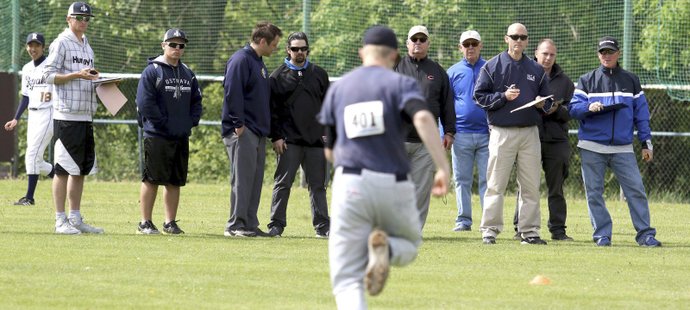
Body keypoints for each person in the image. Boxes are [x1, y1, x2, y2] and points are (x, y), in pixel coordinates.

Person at [318, 25, 450, 310]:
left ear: (361, 52)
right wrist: (443, 167)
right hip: (394, 181)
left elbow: (329, 149)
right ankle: (387, 250)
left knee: (347, 279)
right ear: (394, 55)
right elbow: (425, 120)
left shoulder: (340, 87)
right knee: (410, 245)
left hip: (351, 180)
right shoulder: (402, 84)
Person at [569, 36, 661, 247]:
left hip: (623, 148)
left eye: (610, 52)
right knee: (594, 193)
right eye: (603, 52)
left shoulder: (631, 80)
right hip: (591, 146)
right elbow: (572, 109)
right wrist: (587, 108)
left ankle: (645, 234)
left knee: (636, 190)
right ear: (598, 54)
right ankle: (602, 234)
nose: (607, 56)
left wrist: (646, 142)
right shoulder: (586, 80)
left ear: (618, 54)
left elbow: (642, 115)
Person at [474, 23, 552, 245]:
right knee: (496, 184)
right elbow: (479, 97)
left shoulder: (536, 69)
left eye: (523, 37)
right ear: (506, 38)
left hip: (529, 133)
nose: (518, 40)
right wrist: (502, 97)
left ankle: (529, 232)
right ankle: (489, 230)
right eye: (514, 37)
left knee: (530, 186)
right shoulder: (492, 66)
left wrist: (541, 105)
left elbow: (549, 101)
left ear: (527, 41)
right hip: (501, 132)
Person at [135, 28, 203, 235]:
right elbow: (145, 103)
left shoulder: (188, 73)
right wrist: (164, 124)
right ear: (163, 45)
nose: (177, 48)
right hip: (157, 134)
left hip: (180, 135)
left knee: (175, 180)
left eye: (181, 45)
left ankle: (169, 222)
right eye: (173, 44)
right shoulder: (152, 71)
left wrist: (190, 122)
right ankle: (145, 222)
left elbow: (196, 102)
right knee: (152, 178)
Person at [43, 2, 103, 235]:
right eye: (79, 17)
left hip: (85, 114)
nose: (83, 22)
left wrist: (101, 81)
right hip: (66, 114)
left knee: (80, 169)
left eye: (87, 18)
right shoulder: (62, 42)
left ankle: (75, 218)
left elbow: (87, 75)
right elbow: (47, 74)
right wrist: (76, 75)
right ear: (68, 19)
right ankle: (60, 220)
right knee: (62, 169)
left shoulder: (87, 45)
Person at [266, 31, 330, 238]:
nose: (299, 52)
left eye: (303, 48)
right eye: (295, 49)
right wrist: (276, 136)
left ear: (308, 50)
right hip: (288, 141)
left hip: (316, 141)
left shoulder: (319, 74)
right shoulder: (276, 76)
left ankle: (323, 226)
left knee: (318, 186)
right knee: (282, 184)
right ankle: (276, 225)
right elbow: (272, 110)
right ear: (288, 50)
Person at [222, 21, 282, 237]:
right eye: (274, 44)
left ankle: (248, 223)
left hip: (258, 132)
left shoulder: (258, 62)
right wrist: (238, 124)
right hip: (243, 131)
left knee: (254, 180)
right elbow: (232, 92)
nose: (275, 48)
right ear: (263, 41)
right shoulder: (241, 59)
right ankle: (235, 225)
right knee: (242, 179)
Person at [512, 39, 576, 241]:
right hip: (529, 137)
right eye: (544, 54)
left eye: (552, 55)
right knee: (526, 186)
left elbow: (571, 112)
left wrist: (557, 109)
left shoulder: (564, 81)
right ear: (536, 54)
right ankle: (520, 228)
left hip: (556, 141)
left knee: (556, 187)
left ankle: (558, 230)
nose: (548, 58)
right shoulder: (524, 74)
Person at [394, 25, 455, 229]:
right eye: (414, 39)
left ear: (428, 43)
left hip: (425, 143)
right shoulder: (394, 68)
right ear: (407, 43)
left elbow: (447, 103)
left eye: (422, 40)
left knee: (420, 190)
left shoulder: (437, 71)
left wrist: (449, 132)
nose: (418, 43)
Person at [4, 32, 54, 206]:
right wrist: (16, 118)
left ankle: (29, 198)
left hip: (48, 112)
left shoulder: (51, 65)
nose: (33, 49)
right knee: (36, 161)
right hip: (32, 115)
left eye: (37, 45)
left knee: (32, 155)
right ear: (27, 47)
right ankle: (62, 177)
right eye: (30, 45)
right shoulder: (26, 69)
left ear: (43, 47)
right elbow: (25, 96)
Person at [446, 30, 488, 232]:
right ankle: (463, 220)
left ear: (480, 45)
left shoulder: (490, 68)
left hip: (488, 134)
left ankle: (487, 222)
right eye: (467, 44)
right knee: (461, 180)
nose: (470, 47)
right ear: (460, 47)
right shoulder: (452, 72)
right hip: (460, 134)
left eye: (474, 43)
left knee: (487, 180)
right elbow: (445, 105)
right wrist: (444, 132)